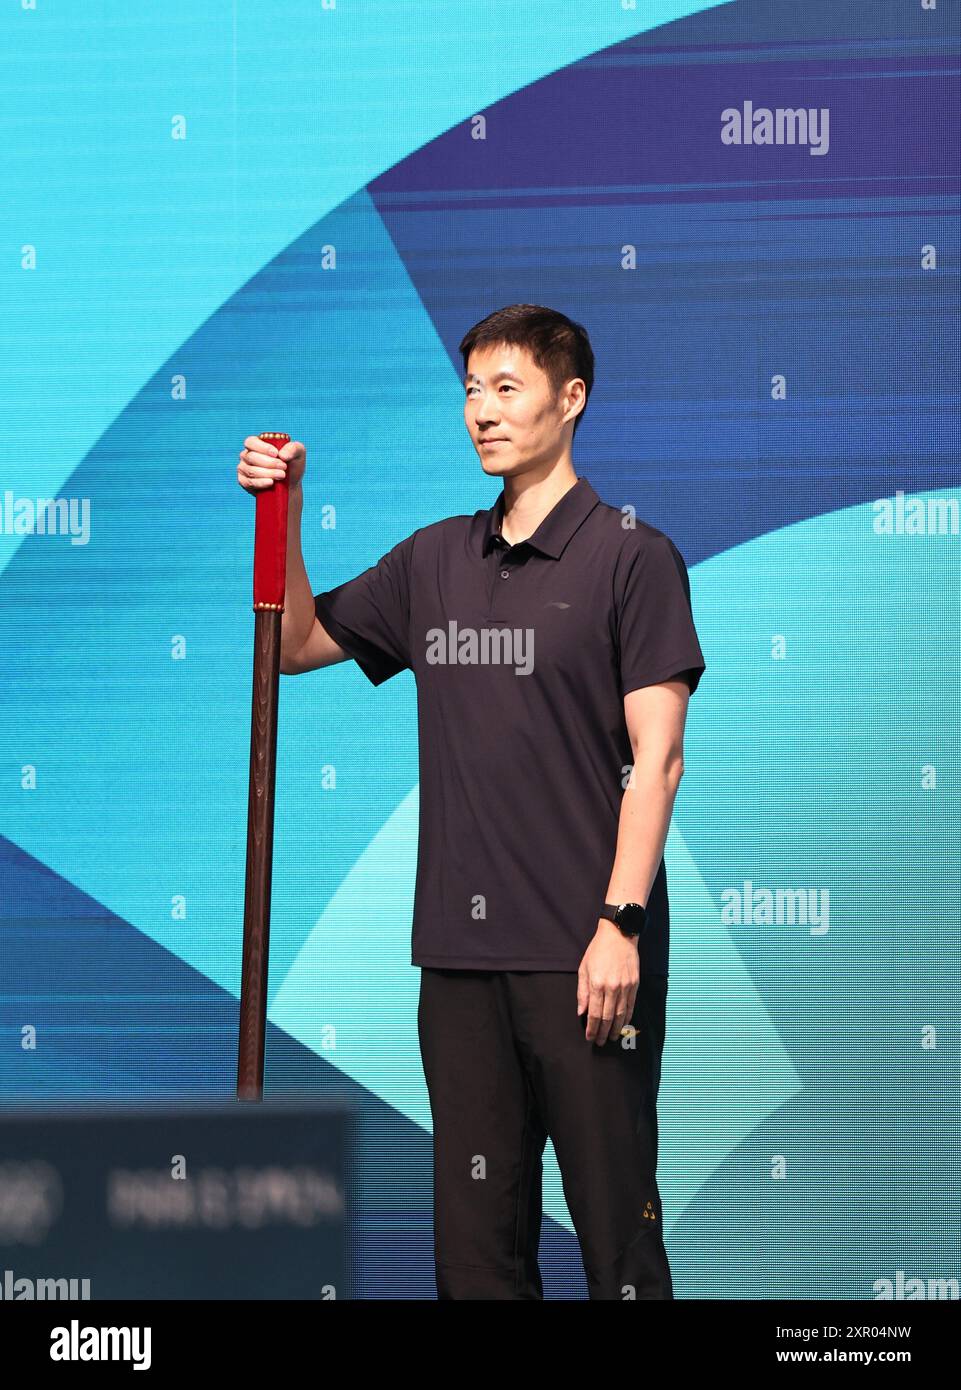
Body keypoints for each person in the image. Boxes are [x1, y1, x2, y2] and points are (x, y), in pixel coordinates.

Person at [236, 304, 706, 1300]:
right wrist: (286, 506)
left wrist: (619, 923)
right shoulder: (433, 561)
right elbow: (293, 643)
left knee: (618, 1247)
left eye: (506, 387)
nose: (481, 412)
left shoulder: (632, 557)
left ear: (570, 399)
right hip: (457, 964)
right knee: (476, 1262)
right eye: (469, 390)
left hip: (586, 959)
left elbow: (656, 760)